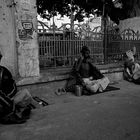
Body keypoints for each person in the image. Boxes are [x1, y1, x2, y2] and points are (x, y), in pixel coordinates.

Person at [0, 51, 39, 124]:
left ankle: (14, 110)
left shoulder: (4, 71)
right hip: (4, 102)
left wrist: (9, 97)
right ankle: (11, 113)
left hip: (9, 99)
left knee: (25, 93)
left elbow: (13, 86)